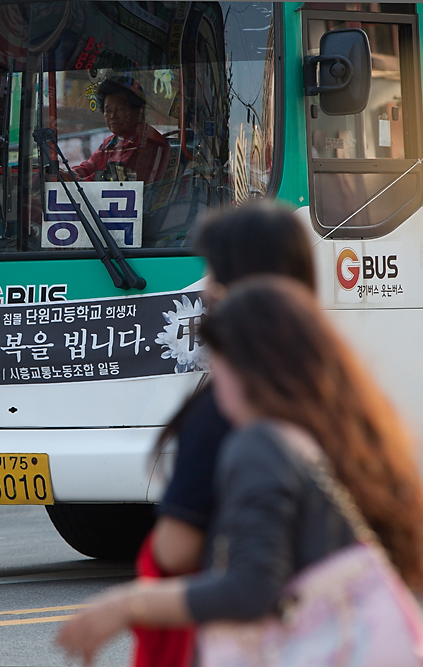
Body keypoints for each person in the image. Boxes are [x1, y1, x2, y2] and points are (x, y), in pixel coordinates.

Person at [57, 277, 423, 665]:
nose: (213, 377)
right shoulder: (301, 432)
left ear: (245, 364)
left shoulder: (258, 445)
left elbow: (251, 588)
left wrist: (127, 604)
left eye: (216, 359)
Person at [131, 203, 317, 667]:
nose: (206, 289)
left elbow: (177, 550)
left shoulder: (228, 410)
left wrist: (122, 607)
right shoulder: (333, 388)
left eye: (214, 273)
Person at [68, 76, 171, 184]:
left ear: (138, 110)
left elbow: (111, 179)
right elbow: (90, 167)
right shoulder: (110, 143)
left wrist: (76, 180)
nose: (113, 116)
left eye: (120, 109)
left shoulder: (145, 142)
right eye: (108, 111)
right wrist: (68, 174)